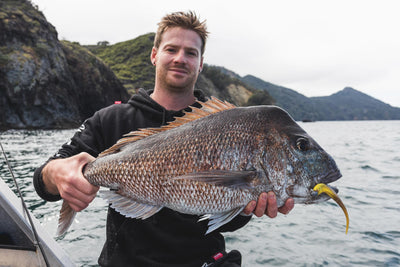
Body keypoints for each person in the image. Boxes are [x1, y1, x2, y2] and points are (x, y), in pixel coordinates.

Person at [33, 11, 294, 266]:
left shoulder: (228, 123)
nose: (181, 58)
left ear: (201, 63)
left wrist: (248, 207)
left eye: (191, 53)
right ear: (154, 55)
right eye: (171, 49)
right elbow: (43, 182)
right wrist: (57, 173)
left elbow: (228, 218)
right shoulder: (109, 120)